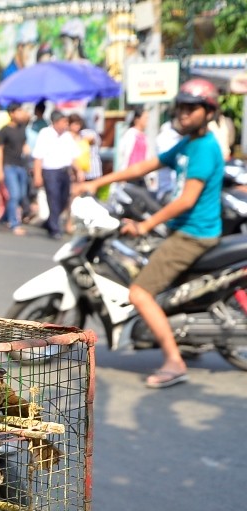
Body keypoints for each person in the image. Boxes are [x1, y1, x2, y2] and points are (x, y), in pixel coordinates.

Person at [76, 79, 224, 388]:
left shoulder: (205, 148)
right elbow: (145, 167)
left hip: (192, 234)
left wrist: (145, 225)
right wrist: (99, 182)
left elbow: (186, 200)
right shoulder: (189, 143)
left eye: (192, 108)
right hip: (182, 229)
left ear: (209, 112)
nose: (184, 113)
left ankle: (174, 361)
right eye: (181, 107)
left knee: (139, 292)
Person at [32, 110, 83, 239]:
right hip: (50, 172)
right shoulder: (45, 134)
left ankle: (50, 222)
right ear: (55, 122)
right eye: (64, 122)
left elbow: (73, 156)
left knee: (64, 199)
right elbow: (38, 156)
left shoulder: (67, 136)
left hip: (64, 171)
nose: (66, 124)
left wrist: (79, 170)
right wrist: (37, 175)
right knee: (53, 198)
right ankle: (55, 229)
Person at [0, 103, 29, 234]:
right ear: (12, 113)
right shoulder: (4, 130)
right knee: (14, 195)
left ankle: (5, 218)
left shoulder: (22, 128)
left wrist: (27, 150)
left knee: (21, 195)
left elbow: (24, 143)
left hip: (21, 166)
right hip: (9, 166)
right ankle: (14, 223)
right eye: (19, 111)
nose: (21, 113)